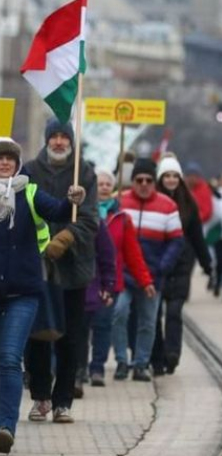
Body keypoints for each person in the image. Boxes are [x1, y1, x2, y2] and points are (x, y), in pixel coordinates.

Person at [0, 137, 85, 453]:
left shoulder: (29, 192)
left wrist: (74, 198)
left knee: (8, 358)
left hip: (24, 292)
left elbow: (58, 209)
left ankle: (6, 426)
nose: (4, 163)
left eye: (10, 158)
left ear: (18, 163)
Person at [24, 118, 98, 424]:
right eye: (53, 136)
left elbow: (91, 217)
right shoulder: (29, 170)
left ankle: (63, 401)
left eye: (63, 137)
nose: (58, 141)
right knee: (37, 334)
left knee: (70, 337)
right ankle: (40, 397)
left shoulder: (86, 172)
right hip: (37, 266)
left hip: (72, 269)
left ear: (70, 141)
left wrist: (65, 238)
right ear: (46, 140)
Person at [112, 158, 184, 381]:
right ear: (132, 181)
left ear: (155, 182)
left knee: (148, 321)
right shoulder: (120, 202)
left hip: (152, 276)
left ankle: (141, 363)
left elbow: (176, 241)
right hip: (123, 274)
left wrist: (163, 267)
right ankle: (122, 360)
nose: (144, 184)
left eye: (148, 180)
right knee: (119, 314)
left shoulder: (168, 206)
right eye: (139, 180)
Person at [90, 169, 153, 386]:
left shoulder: (122, 218)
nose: (105, 187)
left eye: (109, 184)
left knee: (103, 324)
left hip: (110, 281)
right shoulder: (82, 212)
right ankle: (78, 368)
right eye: (100, 183)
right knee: (81, 326)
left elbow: (133, 253)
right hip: (85, 279)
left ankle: (97, 368)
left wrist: (145, 281)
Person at [151, 156, 213, 375]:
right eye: (166, 176)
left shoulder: (188, 204)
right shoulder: (152, 200)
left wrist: (207, 265)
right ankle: (156, 357)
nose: (170, 180)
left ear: (179, 179)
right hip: (157, 263)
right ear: (160, 178)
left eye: (174, 176)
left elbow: (197, 237)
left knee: (175, 311)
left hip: (181, 265)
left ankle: (172, 353)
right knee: (155, 314)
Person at [75, 218, 115, 398]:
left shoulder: (96, 223)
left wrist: (107, 285)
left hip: (87, 289)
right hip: (56, 287)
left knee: (80, 335)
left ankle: (78, 374)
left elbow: (106, 256)